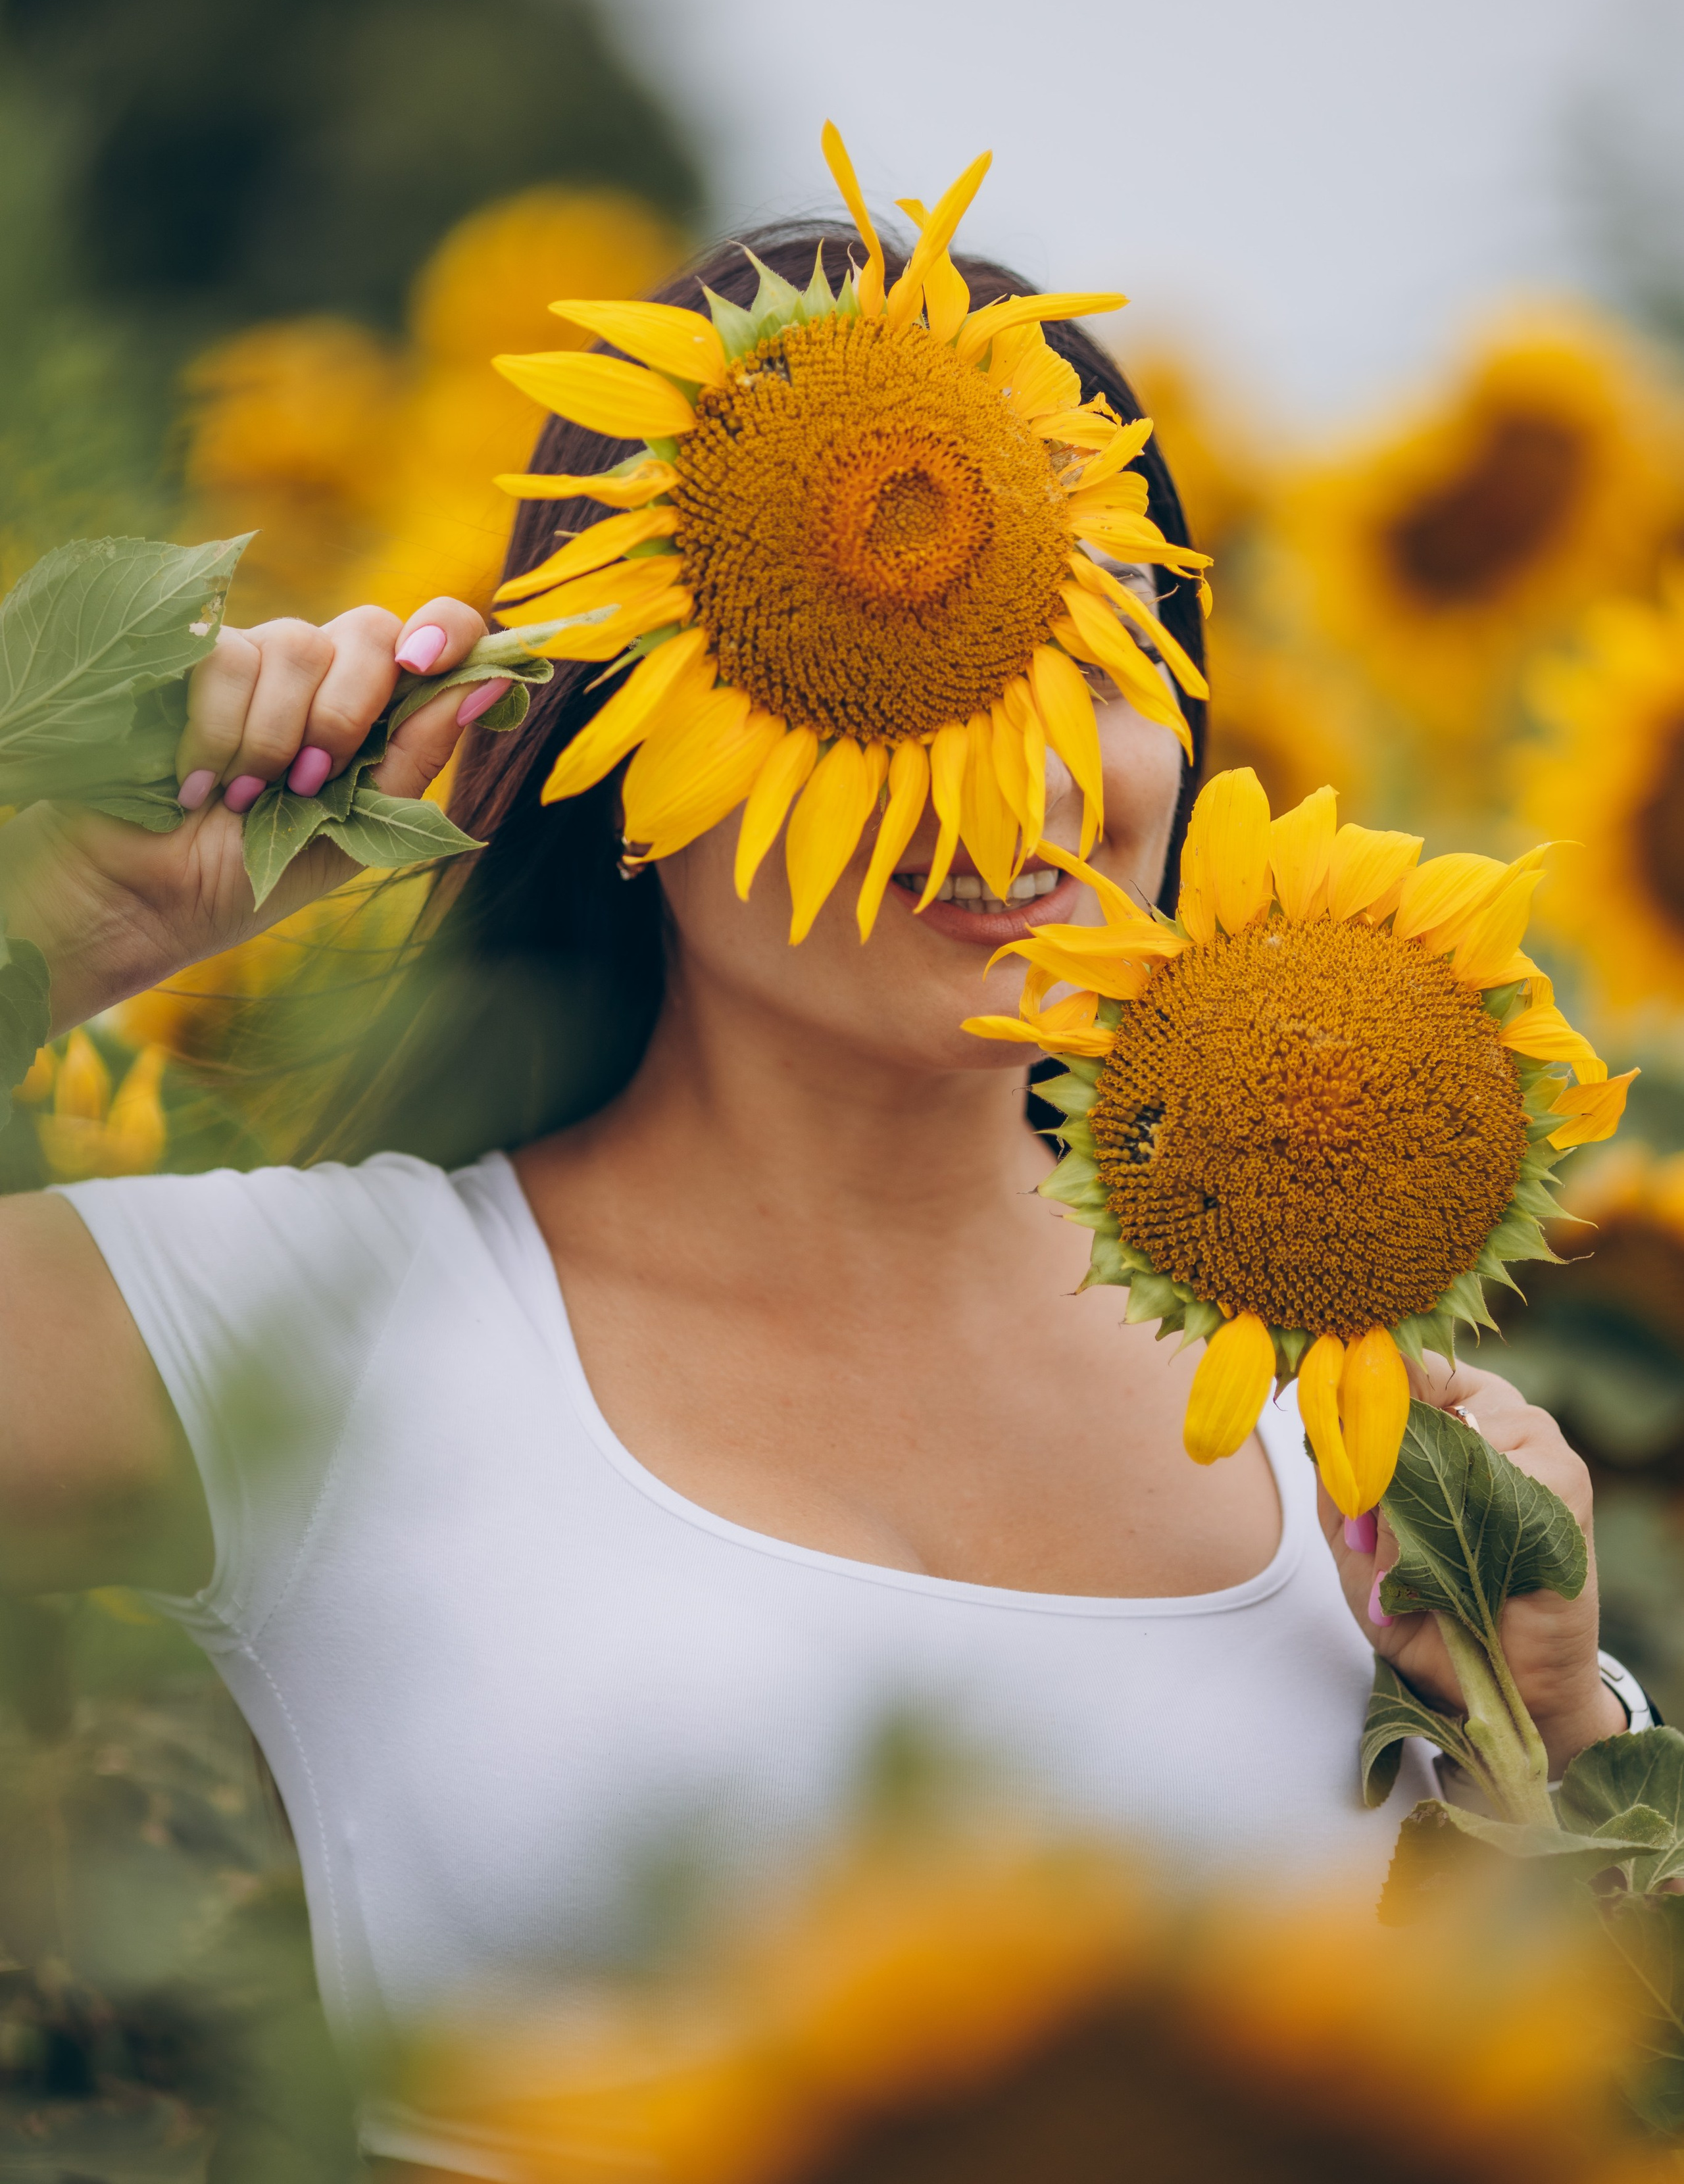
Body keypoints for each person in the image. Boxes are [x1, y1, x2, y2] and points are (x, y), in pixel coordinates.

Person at [0, 221, 1627, 2184]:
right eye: (897, 655)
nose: (1024, 766)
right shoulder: (323, 1316)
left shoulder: (1333, 1409)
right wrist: (67, 929)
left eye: (1096, 644)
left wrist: (1551, 1747)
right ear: (621, 741)